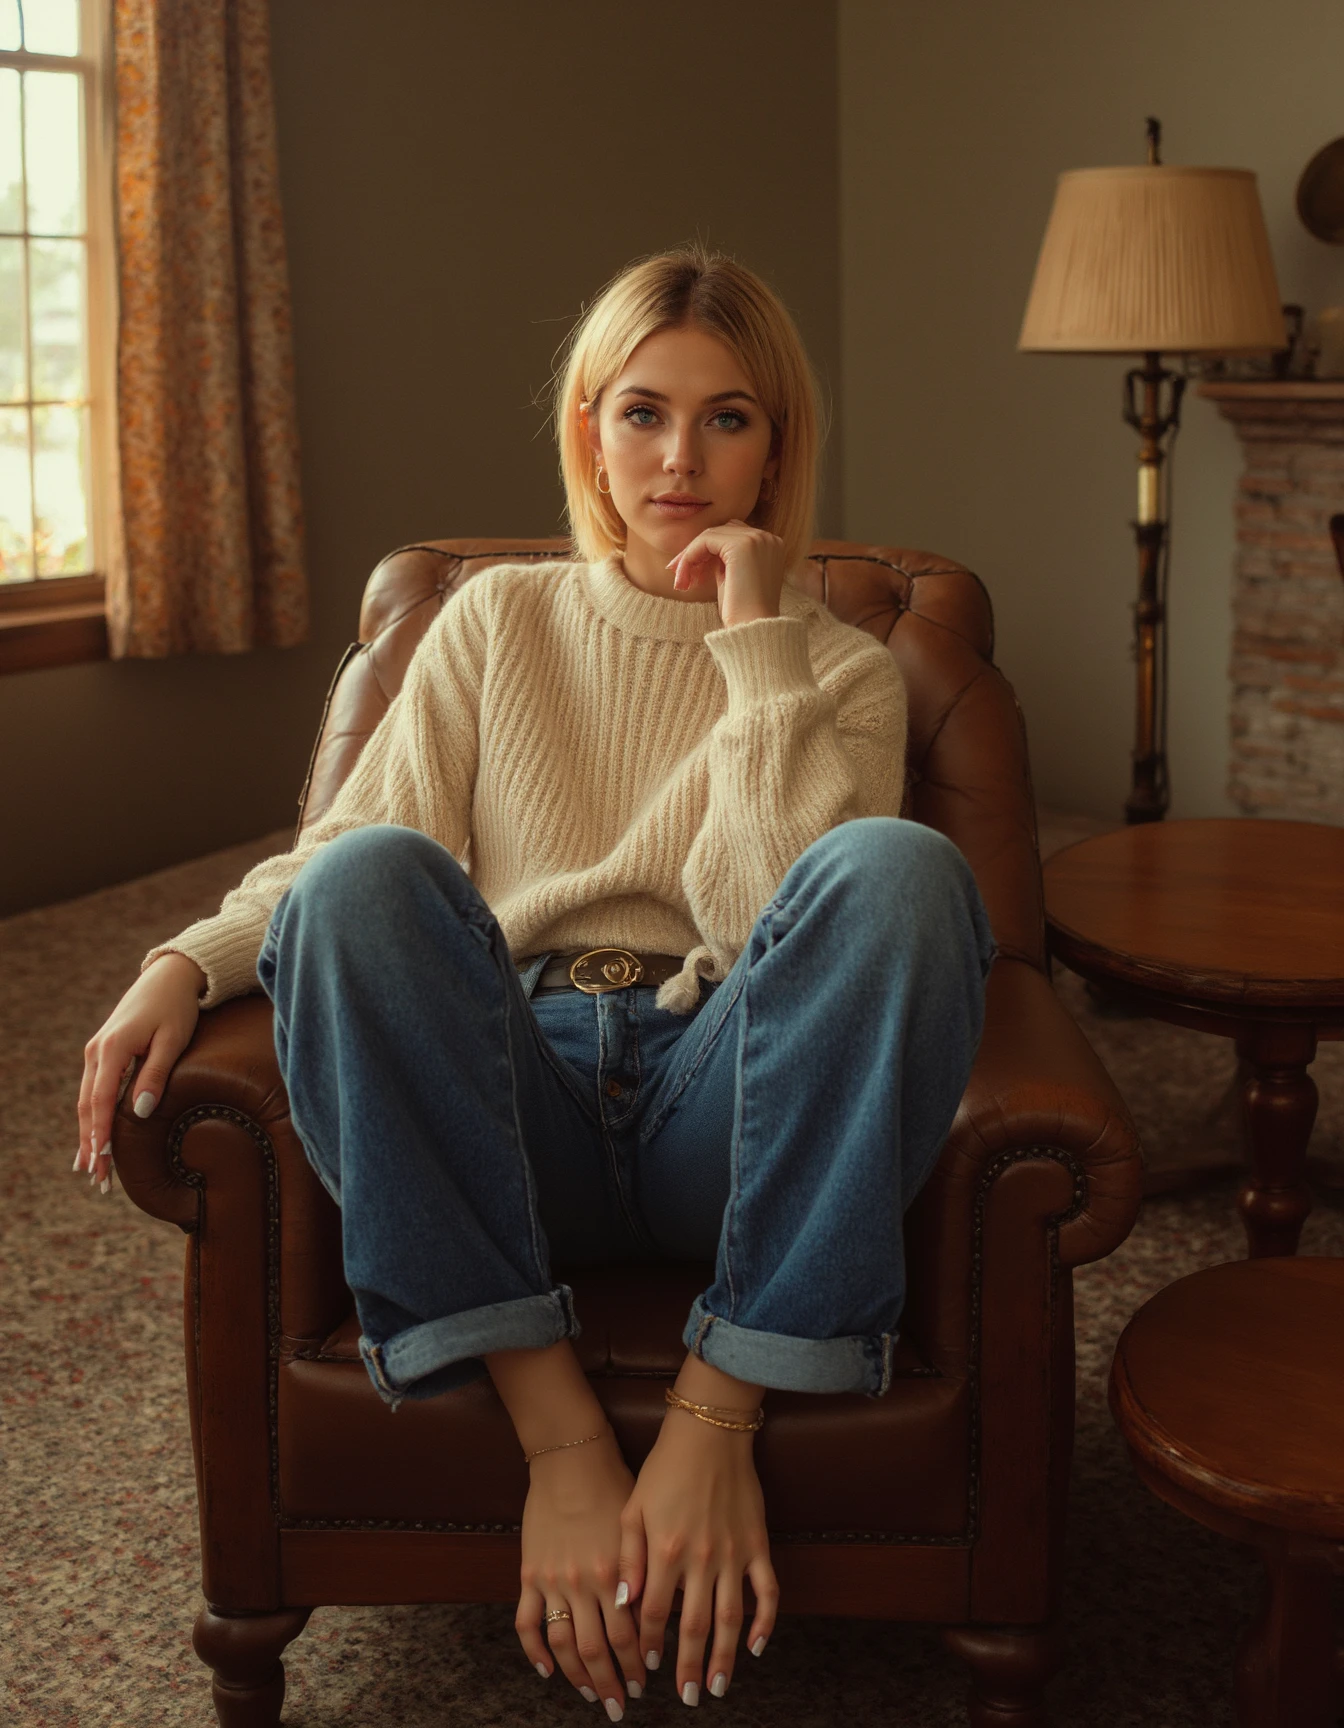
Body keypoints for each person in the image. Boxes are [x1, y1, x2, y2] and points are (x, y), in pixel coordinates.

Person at [76, 243, 996, 1720]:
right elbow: (339, 866)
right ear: (588, 428)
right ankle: (558, 1429)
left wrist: (754, 643)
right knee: (366, 882)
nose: (679, 457)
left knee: (899, 871)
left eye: (727, 418)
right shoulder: (498, 623)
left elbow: (784, 921)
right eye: (641, 412)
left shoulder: (839, 670)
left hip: (727, 1104)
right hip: (511, 1098)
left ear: (780, 443)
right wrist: (180, 961)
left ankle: (721, 1410)